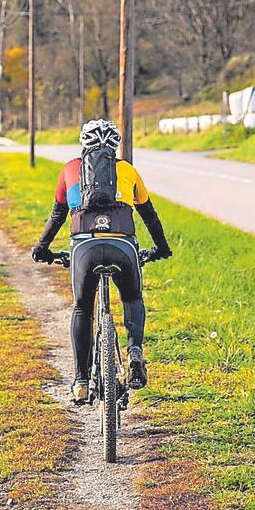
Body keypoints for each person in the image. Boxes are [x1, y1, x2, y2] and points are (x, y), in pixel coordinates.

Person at [30, 119, 172, 403]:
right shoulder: (127, 170)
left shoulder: (70, 170)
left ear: (83, 145)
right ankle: (134, 352)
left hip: (85, 249)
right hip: (123, 246)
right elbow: (150, 216)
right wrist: (161, 248)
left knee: (83, 307)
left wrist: (42, 248)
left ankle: (81, 381)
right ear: (115, 145)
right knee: (132, 298)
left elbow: (57, 215)